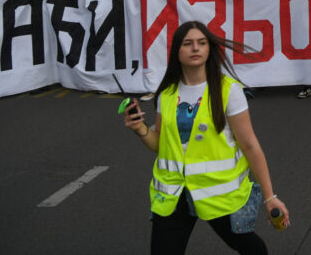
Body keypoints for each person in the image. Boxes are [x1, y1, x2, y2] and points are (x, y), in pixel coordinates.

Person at [122, 21, 289, 252]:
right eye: (188, 43)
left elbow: (250, 145)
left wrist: (271, 197)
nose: (195, 48)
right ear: (177, 51)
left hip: (217, 193)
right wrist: (140, 129)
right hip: (174, 193)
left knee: (253, 250)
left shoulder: (229, 90)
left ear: (209, 49)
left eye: (201, 43)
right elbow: (161, 144)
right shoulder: (167, 94)